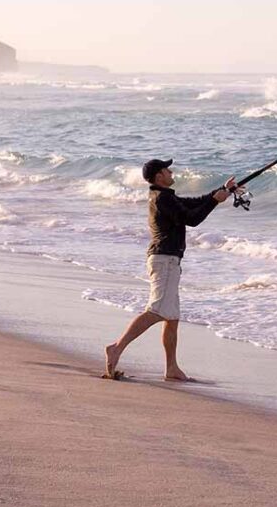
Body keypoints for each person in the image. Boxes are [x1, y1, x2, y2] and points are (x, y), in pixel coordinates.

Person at [103, 158, 243, 381]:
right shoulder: (162, 199)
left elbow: (190, 203)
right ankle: (116, 348)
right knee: (157, 310)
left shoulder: (164, 196)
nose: (171, 171)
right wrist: (215, 202)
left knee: (172, 317)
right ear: (159, 176)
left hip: (167, 260)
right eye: (167, 169)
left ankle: (171, 368)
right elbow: (192, 218)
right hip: (165, 260)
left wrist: (223, 191)